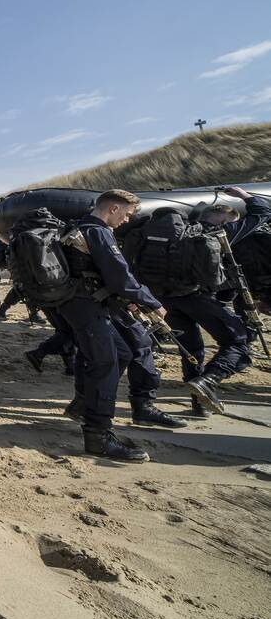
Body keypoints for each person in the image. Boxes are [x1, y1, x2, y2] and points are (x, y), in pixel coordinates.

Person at [55, 190, 182, 462]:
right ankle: (98, 436)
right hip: (85, 304)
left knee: (121, 353)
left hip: (82, 302)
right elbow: (119, 276)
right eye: (126, 214)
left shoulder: (79, 227)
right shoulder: (98, 232)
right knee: (105, 363)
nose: (126, 220)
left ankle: (83, 405)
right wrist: (150, 301)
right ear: (113, 208)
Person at [180, 186, 271, 413]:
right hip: (213, 298)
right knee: (238, 342)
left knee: (191, 349)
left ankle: (199, 402)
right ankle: (209, 380)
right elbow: (263, 212)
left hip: (176, 298)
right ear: (223, 221)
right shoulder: (226, 234)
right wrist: (243, 195)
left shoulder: (186, 234)